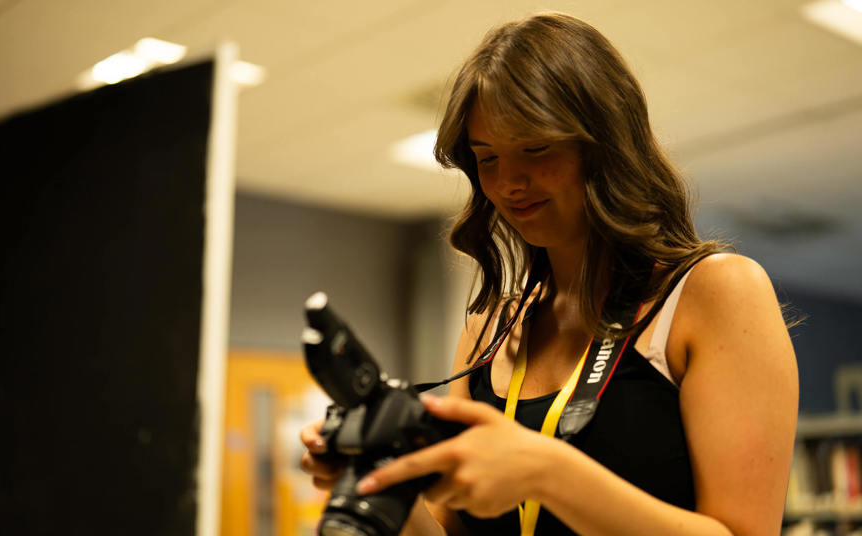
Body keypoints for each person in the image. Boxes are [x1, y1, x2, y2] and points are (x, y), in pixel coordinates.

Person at [300, 11, 798, 536]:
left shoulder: (715, 292)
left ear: (607, 145)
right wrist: (376, 480)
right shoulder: (487, 332)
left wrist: (544, 472)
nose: (509, 182)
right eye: (486, 158)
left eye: (535, 149)